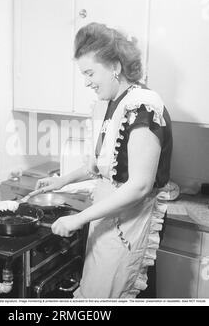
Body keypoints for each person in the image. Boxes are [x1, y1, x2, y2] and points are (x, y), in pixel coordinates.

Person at [31, 22, 173, 298]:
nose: (86, 81)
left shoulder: (143, 105)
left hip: (131, 221)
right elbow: (100, 166)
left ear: (115, 67)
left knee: (116, 291)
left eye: (89, 72)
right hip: (107, 213)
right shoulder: (108, 104)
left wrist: (78, 219)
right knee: (98, 290)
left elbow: (140, 186)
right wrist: (62, 180)